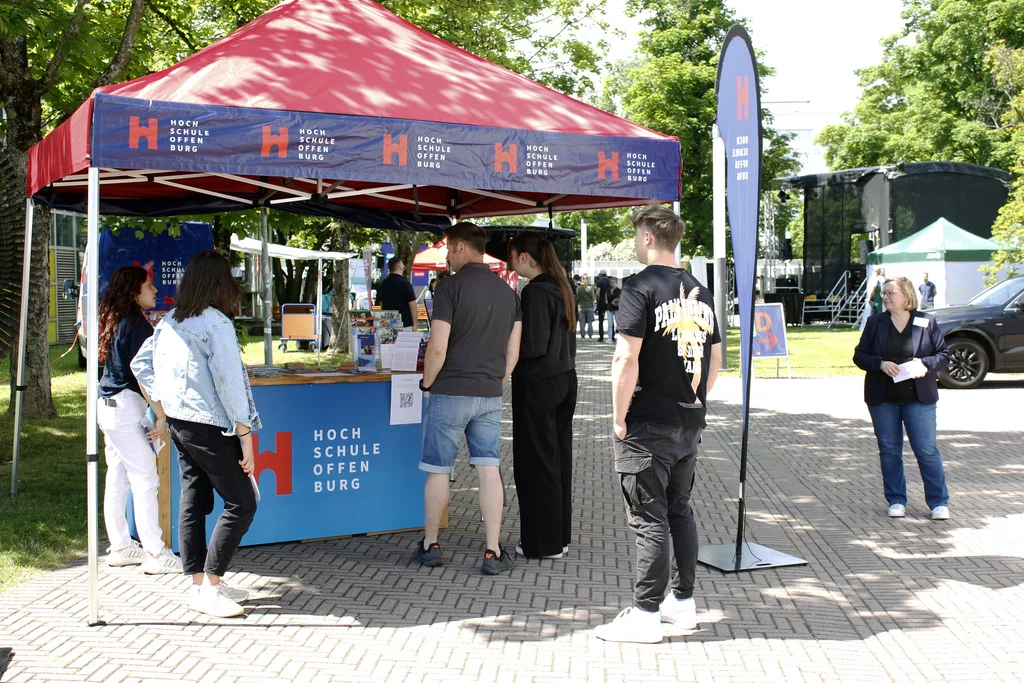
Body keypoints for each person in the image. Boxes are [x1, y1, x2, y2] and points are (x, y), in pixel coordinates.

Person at [596, 204, 722, 644]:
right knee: (679, 510)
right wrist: (695, 400)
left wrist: (617, 416)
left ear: (648, 237)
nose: (635, 242)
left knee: (648, 518)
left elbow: (626, 356)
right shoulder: (701, 291)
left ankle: (646, 613)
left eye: (637, 236)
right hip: (689, 418)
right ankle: (682, 602)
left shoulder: (639, 286)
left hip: (648, 421)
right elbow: (716, 358)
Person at [132, 251, 261, 618]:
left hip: (180, 422)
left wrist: (162, 404)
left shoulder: (171, 320)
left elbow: (140, 364)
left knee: (195, 497)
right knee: (242, 503)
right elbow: (229, 383)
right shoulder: (216, 324)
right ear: (221, 283)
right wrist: (246, 434)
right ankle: (211, 587)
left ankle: (200, 583)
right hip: (209, 425)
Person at [414, 222, 522, 575]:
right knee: (488, 467)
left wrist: (428, 383)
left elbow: (438, 345)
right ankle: (492, 549)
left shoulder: (449, 288)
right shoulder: (509, 293)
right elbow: (513, 352)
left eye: (448, 249)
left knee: (439, 469)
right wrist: (498, 379)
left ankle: (430, 545)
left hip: (449, 390)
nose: (446, 256)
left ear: (461, 247)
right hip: (489, 393)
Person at [97, 266, 182, 575]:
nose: (155, 290)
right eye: (149, 285)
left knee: (118, 477)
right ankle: (156, 554)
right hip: (125, 408)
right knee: (146, 480)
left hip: (108, 407)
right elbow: (143, 374)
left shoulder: (116, 320)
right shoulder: (138, 326)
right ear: (135, 291)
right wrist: (161, 415)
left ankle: (121, 546)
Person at [853, 276, 951, 521]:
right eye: (883, 293)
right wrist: (880, 364)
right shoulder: (876, 322)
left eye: (890, 292)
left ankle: (938, 502)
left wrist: (925, 364)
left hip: (918, 398)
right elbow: (859, 355)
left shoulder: (926, 322)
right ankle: (896, 500)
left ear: (906, 294)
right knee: (889, 450)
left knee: (926, 450)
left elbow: (943, 355)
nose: (885, 297)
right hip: (884, 398)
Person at [507, 231, 578, 560]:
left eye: (511, 257)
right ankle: (559, 537)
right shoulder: (561, 286)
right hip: (564, 378)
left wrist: (505, 347)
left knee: (536, 463)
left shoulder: (535, 292)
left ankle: (542, 542)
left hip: (538, 384)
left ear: (524, 257)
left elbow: (532, 346)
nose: (510, 263)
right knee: (558, 460)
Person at [376, 257, 418, 329]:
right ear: (400, 266)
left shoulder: (383, 284)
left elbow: (381, 304)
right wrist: (415, 324)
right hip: (405, 324)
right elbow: (413, 305)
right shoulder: (406, 284)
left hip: (388, 324)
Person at [605, 277, 621, 345]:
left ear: (616, 283)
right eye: (611, 282)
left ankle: (620, 337)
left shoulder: (619, 291)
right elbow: (606, 299)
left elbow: (621, 299)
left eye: (613, 282)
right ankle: (610, 338)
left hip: (617, 309)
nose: (612, 284)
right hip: (609, 308)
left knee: (618, 324)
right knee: (610, 324)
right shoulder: (608, 290)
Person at [596, 270, 611, 341]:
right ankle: (612, 336)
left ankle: (601, 336)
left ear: (601, 275)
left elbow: (597, 293)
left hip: (601, 303)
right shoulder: (610, 281)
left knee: (601, 320)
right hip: (610, 303)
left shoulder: (600, 282)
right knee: (610, 320)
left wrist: (597, 301)